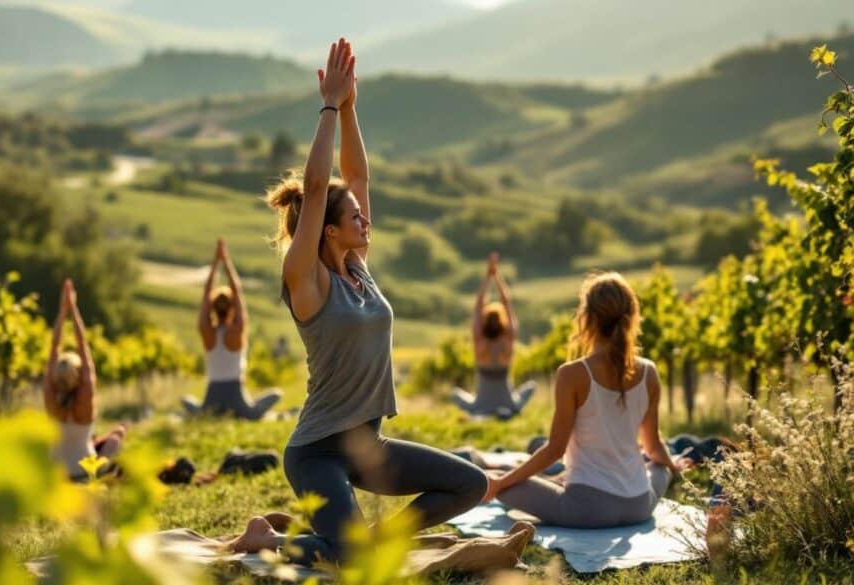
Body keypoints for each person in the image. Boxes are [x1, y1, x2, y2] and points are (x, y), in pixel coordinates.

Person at [228, 38, 488, 565]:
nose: (365, 221)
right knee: (348, 563)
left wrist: (350, 110)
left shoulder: (358, 269)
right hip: (317, 452)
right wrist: (327, 108)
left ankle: (371, 541)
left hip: (369, 447)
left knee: (470, 484)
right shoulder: (307, 282)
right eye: (354, 218)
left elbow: (358, 177)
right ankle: (271, 539)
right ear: (326, 231)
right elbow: (320, 184)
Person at [482, 272, 684, 528]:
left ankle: (504, 482)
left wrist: (502, 482)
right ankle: (671, 468)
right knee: (660, 467)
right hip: (639, 505)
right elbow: (654, 446)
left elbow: (555, 450)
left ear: (586, 318)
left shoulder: (572, 374)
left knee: (500, 482)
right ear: (633, 316)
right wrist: (672, 467)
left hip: (588, 510)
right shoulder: (649, 372)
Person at [182, 238, 282, 420]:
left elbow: (206, 294)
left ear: (213, 308)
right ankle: (244, 407)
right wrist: (226, 261)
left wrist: (215, 262)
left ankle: (202, 410)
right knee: (274, 395)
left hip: (211, 398)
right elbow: (238, 293)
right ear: (232, 309)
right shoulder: (237, 331)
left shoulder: (207, 331)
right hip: (237, 398)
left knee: (187, 402)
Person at [44, 279, 125, 480]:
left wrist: (62, 311)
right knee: (117, 436)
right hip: (84, 472)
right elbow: (84, 348)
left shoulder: (50, 397)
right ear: (80, 374)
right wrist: (74, 309)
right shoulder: (86, 395)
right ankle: (105, 473)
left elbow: (54, 346)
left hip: (56, 474)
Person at [452, 252, 535, 419]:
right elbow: (507, 303)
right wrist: (496, 277)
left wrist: (488, 275)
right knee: (531, 386)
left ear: (483, 322)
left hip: (479, 405)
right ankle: (508, 411)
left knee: (455, 393)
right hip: (508, 403)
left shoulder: (479, 342)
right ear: (502, 321)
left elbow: (478, 305)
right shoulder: (508, 341)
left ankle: (483, 413)